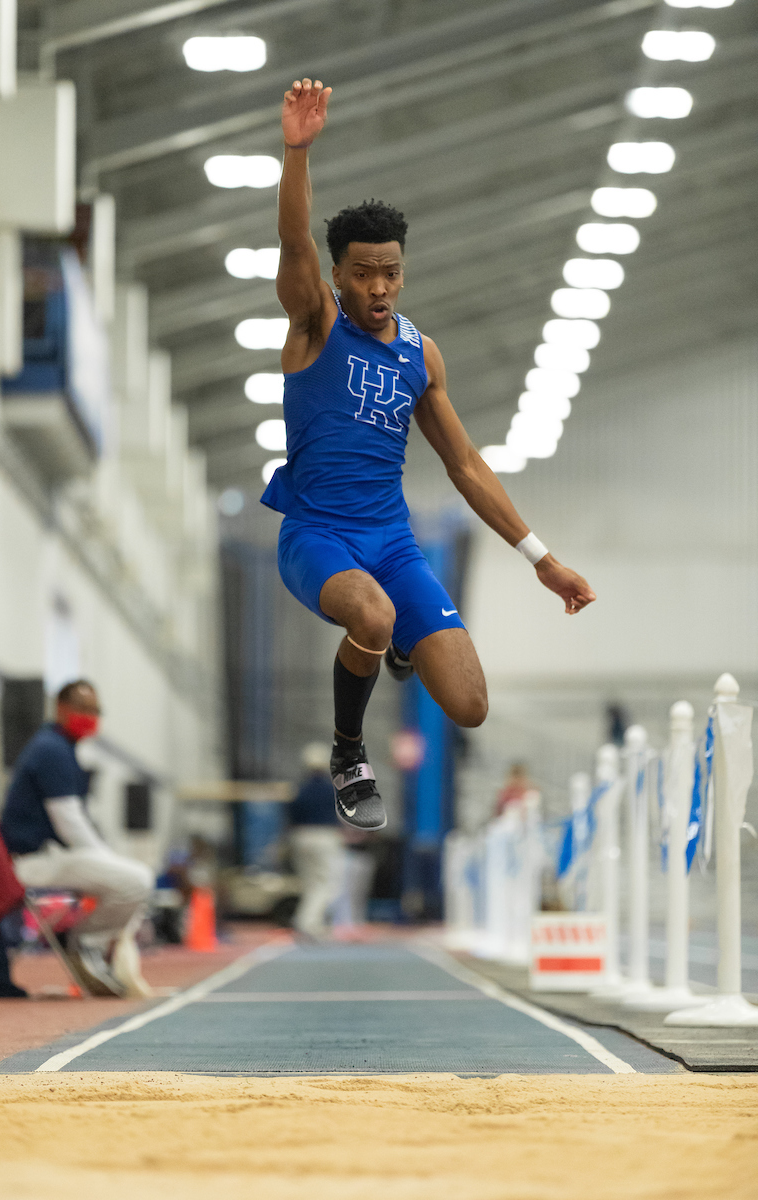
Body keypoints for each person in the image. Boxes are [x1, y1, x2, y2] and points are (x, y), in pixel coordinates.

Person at [262, 79, 596, 836]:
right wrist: (296, 152)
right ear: (338, 276)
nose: (379, 287)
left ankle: (404, 643)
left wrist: (541, 558)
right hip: (317, 535)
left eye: (391, 272)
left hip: (392, 541)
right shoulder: (315, 324)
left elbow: (467, 466)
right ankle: (352, 750)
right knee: (373, 618)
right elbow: (291, 243)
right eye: (363, 273)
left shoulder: (421, 355)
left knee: (470, 707)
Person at [0, 679, 154, 996]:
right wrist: (107, 861)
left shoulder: (60, 748)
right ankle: (84, 942)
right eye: (82, 708)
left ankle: (91, 946)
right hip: (33, 860)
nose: (90, 716)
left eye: (95, 710)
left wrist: (106, 860)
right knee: (136, 880)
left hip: (51, 855)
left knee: (131, 879)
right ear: (61, 709)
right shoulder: (52, 750)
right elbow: (69, 821)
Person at [287, 741, 344, 940]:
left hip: (300, 837)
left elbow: (291, 815)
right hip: (324, 837)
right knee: (327, 884)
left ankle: (308, 921)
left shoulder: (299, 789)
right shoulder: (331, 789)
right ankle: (308, 923)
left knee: (310, 883)